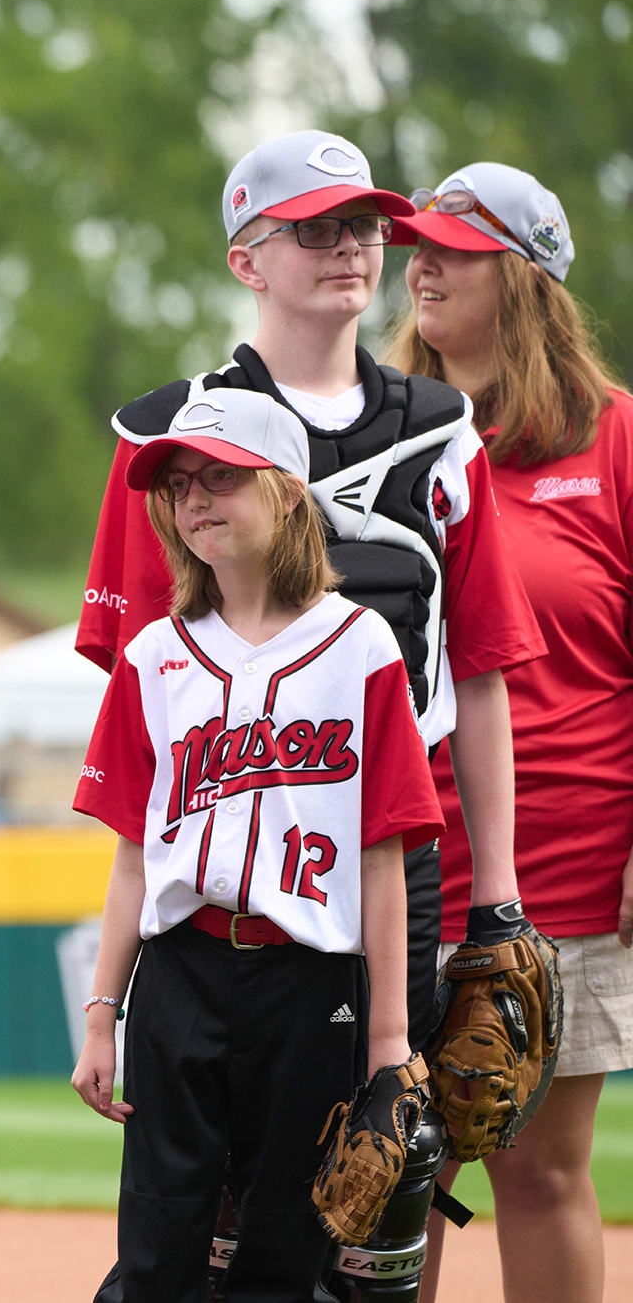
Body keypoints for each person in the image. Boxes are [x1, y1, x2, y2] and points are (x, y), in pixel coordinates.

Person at [71, 386, 442, 1300]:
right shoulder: (155, 654)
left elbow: (383, 850)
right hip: (181, 972)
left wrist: (390, 1035)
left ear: (285, 491)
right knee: (158, 1247)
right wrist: (99, 1013)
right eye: (180, 484)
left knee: (284, 1252)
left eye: (221, 479)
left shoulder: (361, 648)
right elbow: (132, 853)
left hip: (309, 983)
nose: (195, 500)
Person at [388, 162, 630, 1303]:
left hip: (566, 865)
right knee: (385, 1162)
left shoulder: (615, 439)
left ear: (523, 279)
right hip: (390, 861)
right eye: (416, 245)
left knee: (535, 1169)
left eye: (451, 248)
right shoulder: (372, 435)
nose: (416, 264)